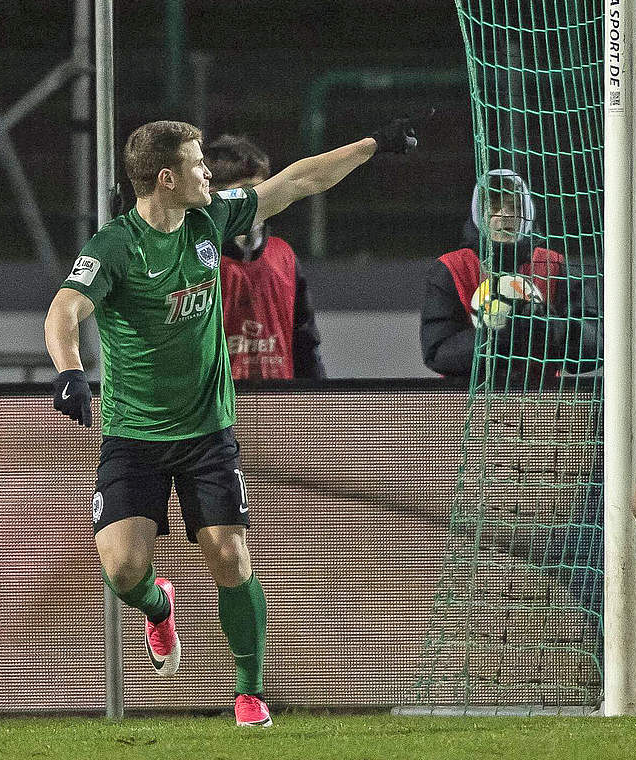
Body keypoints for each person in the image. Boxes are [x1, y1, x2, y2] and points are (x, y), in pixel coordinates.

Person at [44, 118, 418, 727]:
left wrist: (371, 143)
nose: (207, 172)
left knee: (229, 555)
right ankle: (158, 605)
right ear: (166, 179)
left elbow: (297, 183)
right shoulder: (114, 246)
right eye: (196, 164)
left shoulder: (208, 219)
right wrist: (70, 371)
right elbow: (65, 308)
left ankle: (249, 691)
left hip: (207, 431)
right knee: (121, 568)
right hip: (133, 436)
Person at [420, 169, 600, 385]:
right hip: (468, 403)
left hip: (542, 402)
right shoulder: (452, 268)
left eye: (515, 207)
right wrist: (494, 339)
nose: (505, 214)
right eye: (495, 206)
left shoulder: (555, 267)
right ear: (479, 214)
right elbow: (437, 353)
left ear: (529, 214)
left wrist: (555, 329)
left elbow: (595, 349)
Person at [203, 134, 326, 381]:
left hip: (279, 406)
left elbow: (305, 342)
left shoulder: (284, 256)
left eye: (263, 190)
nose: (259, 201)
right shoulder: (196, 258)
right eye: (247, 192)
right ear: (212, 195)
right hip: (215, 412)